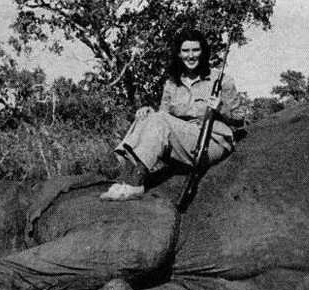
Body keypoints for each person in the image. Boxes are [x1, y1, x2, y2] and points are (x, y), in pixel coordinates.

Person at [100, 29, 247, 201]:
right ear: (178, 54)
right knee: (147, 116)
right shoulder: (171, 83)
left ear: (203, 52)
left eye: (195, 50)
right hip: (182, 143)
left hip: (211, 141)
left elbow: (240, 120)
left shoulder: (221, 80)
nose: (190, 56)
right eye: (185, 51)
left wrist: (221, 108)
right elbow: (162, 118)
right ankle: (125, 179)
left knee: (158, 118)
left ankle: (134, 185)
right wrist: (148, 111)